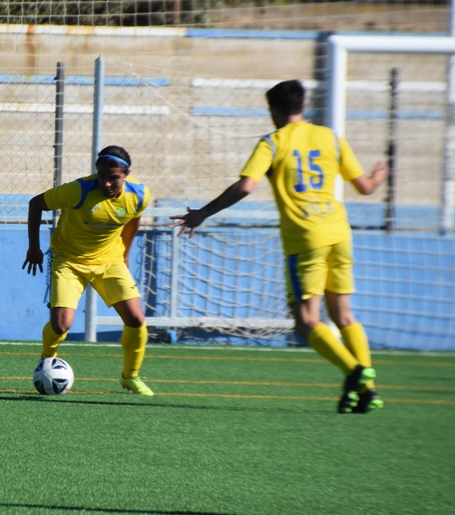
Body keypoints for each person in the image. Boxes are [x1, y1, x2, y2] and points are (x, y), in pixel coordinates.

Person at [170, 80, 387, 414]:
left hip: (306, 238)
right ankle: (367, 391)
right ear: (303, 106)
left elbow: (246, 186)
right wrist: (379, 176)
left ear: (273, 110)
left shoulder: (272, 142)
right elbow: (366, 187)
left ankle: (354, 371)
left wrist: (203, 213)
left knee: (305, 321)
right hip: (340, 233)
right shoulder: (330, 137)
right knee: (344, 315)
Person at [23, 146, 154, 395]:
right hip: (68, 260)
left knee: (136, 319)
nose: (106, 183)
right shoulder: (78, 190)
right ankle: (47, 360)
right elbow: (36, 204)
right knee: (61, 325)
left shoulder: (139, 195)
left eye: (113, 178)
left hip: (109, 261)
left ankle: (130, 376)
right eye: (102, 176)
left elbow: (133, 218)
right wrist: (34, 248)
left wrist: (125, 253)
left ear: (126, 175)